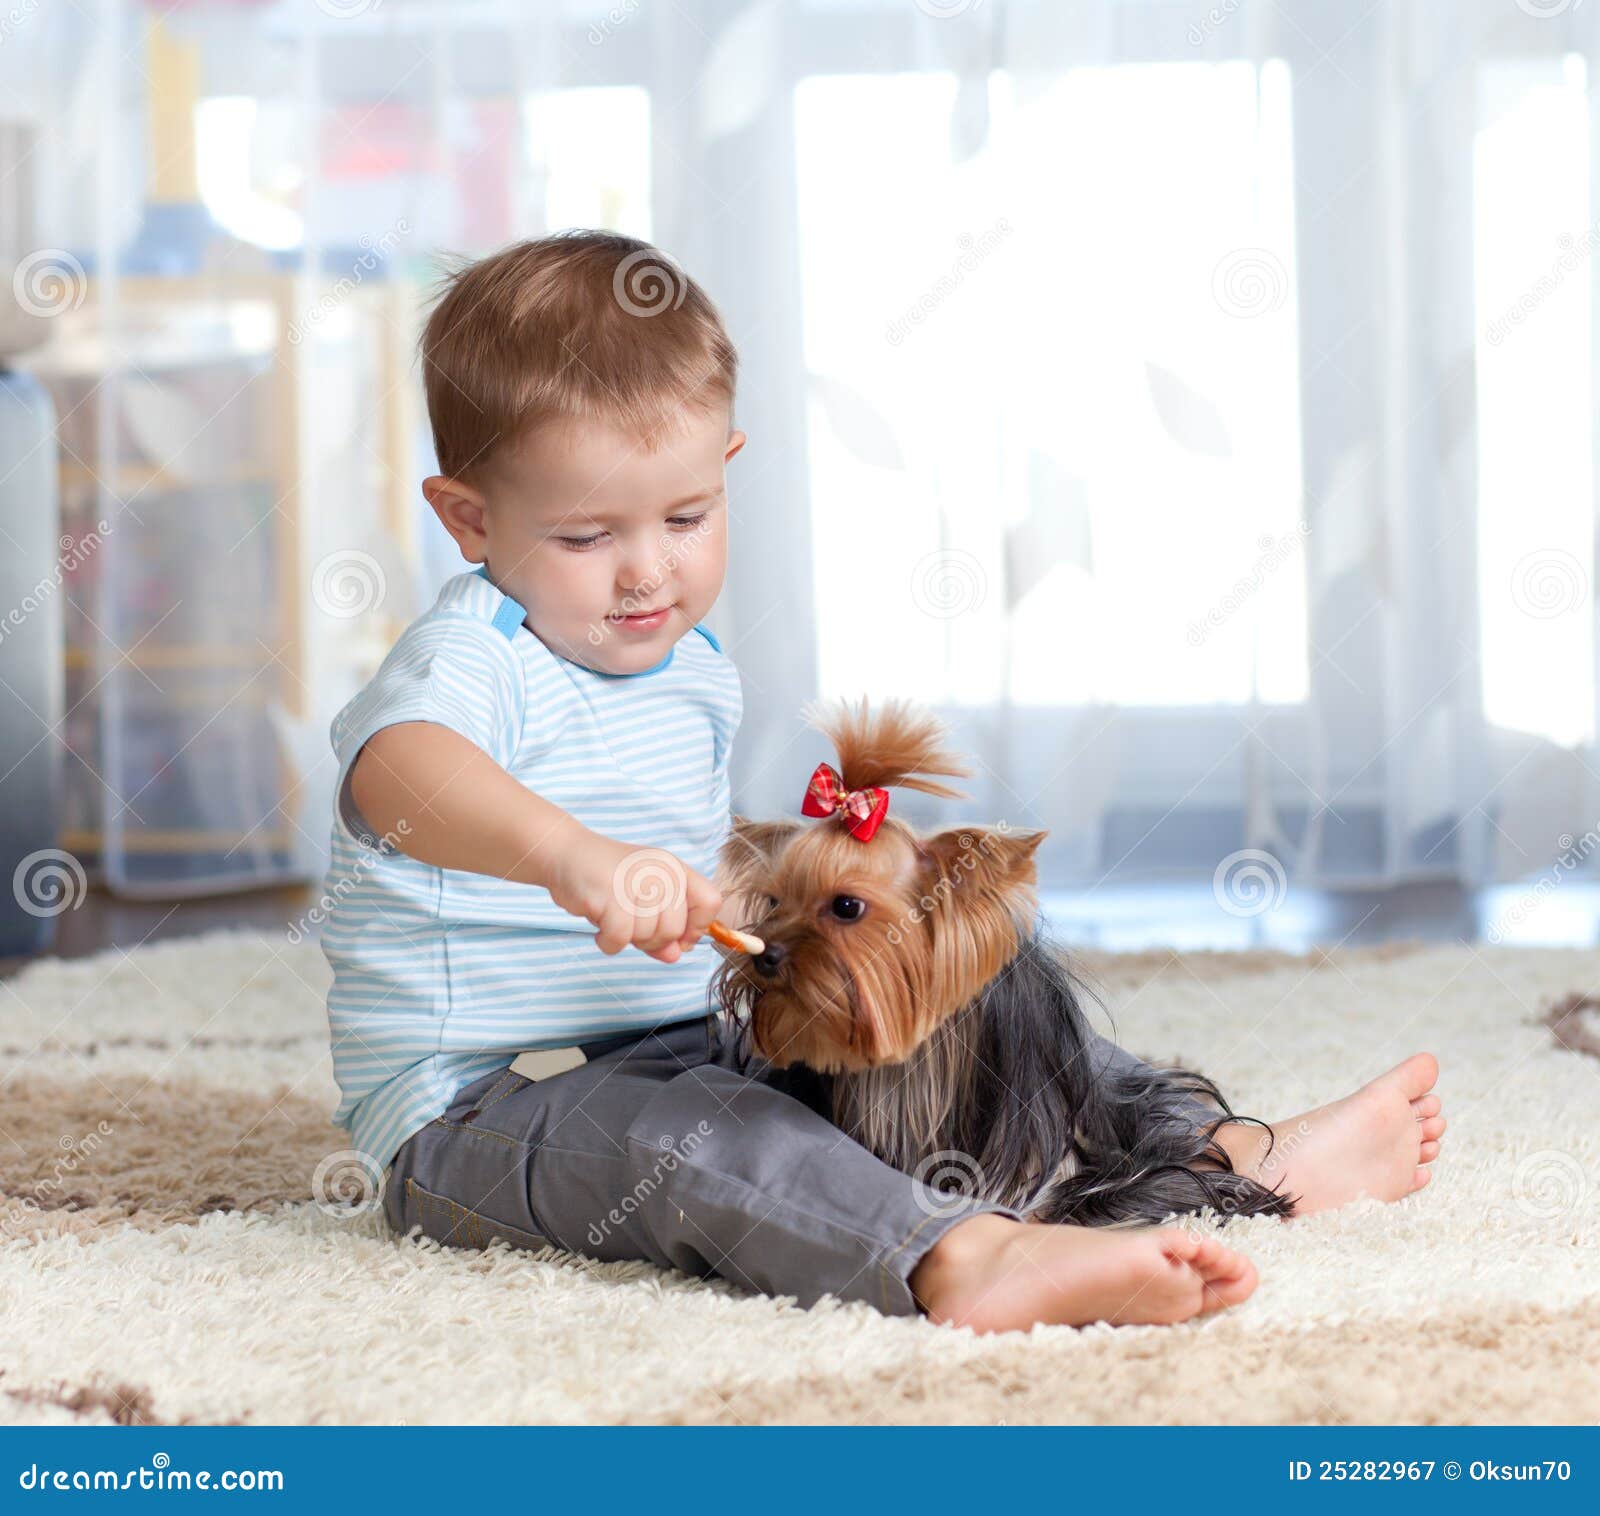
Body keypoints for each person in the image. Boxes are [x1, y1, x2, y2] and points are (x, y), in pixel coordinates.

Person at [318, 231, 1446, 1333]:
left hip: (677, 1039)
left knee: (977, 1026)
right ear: (469, 520)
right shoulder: (475, 654)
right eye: (585, 535)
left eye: (686, 517)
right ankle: (962, 1256)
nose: (647, 568)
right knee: (700, 1142)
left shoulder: (690, 669)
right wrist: (572, 858)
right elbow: (399, 774)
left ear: (728, 473)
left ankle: (1235, 1155)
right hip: (477, 1110)